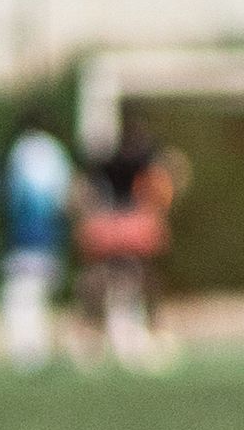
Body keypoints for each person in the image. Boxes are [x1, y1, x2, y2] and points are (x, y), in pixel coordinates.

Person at [76, 137, 186, 370]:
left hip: (106, 226)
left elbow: (82, 193)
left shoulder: (101, 166)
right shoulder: (148, 163)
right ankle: (153, 328)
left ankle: (92, 331)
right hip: (135, 226)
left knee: (103, 277)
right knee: (141, 276)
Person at [0, 111, 78, 370]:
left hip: (20, 235)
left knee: (20, 294)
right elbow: (65, 198)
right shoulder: (56, 151)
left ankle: (26, 350)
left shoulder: (15, 151)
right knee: (38, 292)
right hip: (49, 235)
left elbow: (3, 197)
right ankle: (37, 348)